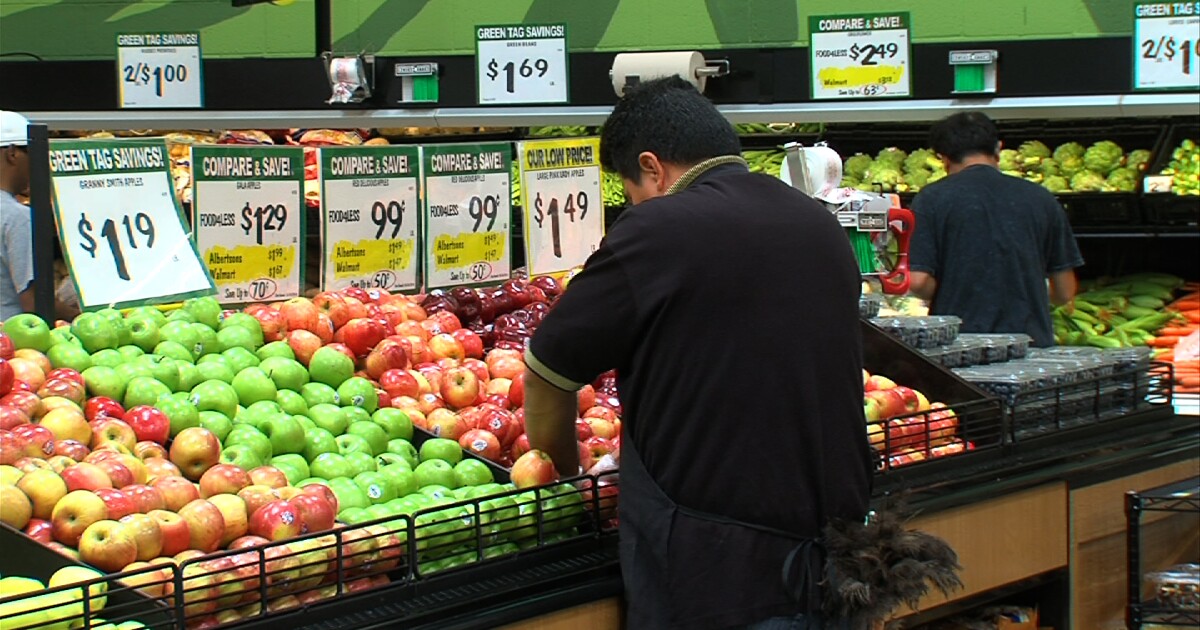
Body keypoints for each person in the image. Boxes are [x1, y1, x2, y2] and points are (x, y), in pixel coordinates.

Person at [522, 77, 872, 630]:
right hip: (837, 556)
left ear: (652, 168)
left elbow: (547, 371)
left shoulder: (659, 227)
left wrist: (566, 476)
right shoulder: (816, 223)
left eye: (630, 188)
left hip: (716, 569)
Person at [908, 112, 1083, 347]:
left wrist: (951, 291)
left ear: (944, 158)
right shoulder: (1041, 198)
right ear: (998, 149)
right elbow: (1064, 291)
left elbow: (918, 282)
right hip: (1031, 345)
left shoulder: (930, 199)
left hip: (960, 348)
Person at [0, 110, 34, 321]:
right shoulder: (17, 216)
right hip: (13, 338)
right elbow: (33, 301)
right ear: (12, 153)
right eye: (33, 153)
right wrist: (79, 315)